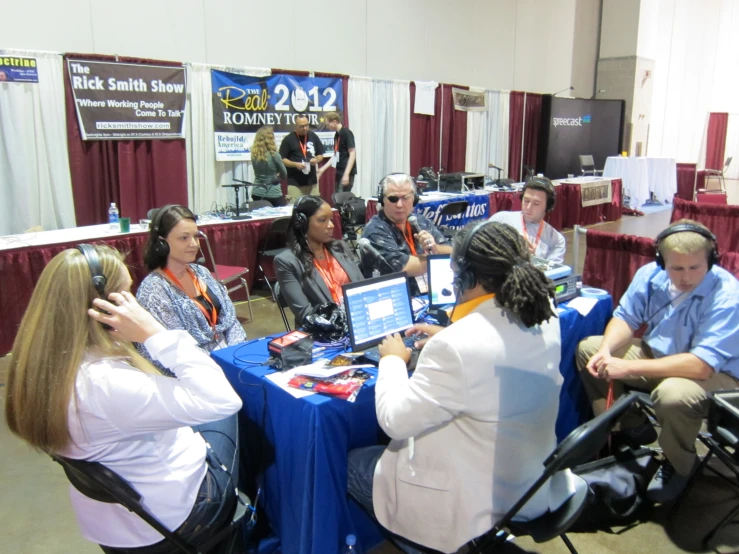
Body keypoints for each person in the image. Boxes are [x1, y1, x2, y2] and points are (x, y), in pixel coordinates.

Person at [347, 221, 574, 554]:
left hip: (467, 500)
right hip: (527, 481)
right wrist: (448, 336)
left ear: (470, 278)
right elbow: (493, 349)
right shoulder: (545, 313)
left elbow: (394, 420)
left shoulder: (456, 347)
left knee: (351, 462)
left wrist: (393, 360)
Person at [4, 244, 243, 552]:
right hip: (175, 519)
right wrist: (156, 334)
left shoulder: (42, 366)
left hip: (114, 522)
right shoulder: (106, 384)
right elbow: (223, 400)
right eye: (126, 296)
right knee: (228, 406)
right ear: (104, 309)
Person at [577, 219, 739, 503]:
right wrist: (607, 350)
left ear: (711, 260)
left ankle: (678, 464)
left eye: (695, 268)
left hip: (715, 375)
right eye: (676, 268)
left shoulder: (728, 295)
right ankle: (632, 428)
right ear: (661, 261)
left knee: (672, 394)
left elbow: (700, 365)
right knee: (589, 350)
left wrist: (626, 366)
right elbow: (626, 317)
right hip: (659, 357)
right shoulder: (650, 275)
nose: (686, 277)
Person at [137, 205, 246, 360]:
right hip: (194, 369)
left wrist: (237, 355)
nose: (194, 244)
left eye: (195, 236)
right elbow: (176, 350)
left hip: (228, 357)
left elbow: (230, 320)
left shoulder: (202, 272)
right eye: (184, 238)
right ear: (162, 243)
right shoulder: (154, 290)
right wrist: (219, 366)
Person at [274, 195, 364, 326]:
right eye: (322, 220)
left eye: (331, 219)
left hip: (358, 322)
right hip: (324, 333)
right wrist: (342, 322)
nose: (331, 225)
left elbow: (362, 288)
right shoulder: (287, 262)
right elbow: (306, 314)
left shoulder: (341, 247)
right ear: (303, 223)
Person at [361, 173, 452, 295]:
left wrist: (435, 248)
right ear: (382, 200)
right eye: (393, 199)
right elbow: (404, 267)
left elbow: (451, 251)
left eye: (405, 198)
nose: (399, 204)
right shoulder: (375, 230)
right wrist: (436, 258)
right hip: (398, 297)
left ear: (414, 199)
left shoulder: (419, 221)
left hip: (430, 293)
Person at [489, 176, 565, 263]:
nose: (528, 207)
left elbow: (550, 273)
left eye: (536, 203)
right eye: (526, 201)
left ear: (548, 206)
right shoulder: (500, 219)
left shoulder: (556, 240)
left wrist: (533, 260)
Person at [279, 114, 324, 203]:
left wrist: (316, 160)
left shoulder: (313, 136)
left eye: (307, 125)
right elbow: (282, 159)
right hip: (295, 184)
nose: (305, 128)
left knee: (315, 210)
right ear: (295, 126)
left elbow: (320, 155)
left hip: (312, 183)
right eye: (302, 126)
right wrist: (295, 164)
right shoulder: (288, 139)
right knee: (295, 209)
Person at [317, 111, 357, 192]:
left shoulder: (346, 133)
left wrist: (346, 174)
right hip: (339, 170)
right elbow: (336, 155)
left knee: (342, 198)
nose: (327, 127)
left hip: (346, 171)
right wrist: (322, 169)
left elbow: (352, 154)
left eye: (328, 124)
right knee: (337, 197)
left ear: (334, 122)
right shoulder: (337, 135)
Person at [250, 125, 288, 207]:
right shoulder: (275, 155)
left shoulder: (254, 155)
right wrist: (277, 175)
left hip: (257, 193)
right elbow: (284, 175)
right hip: (274, 194)